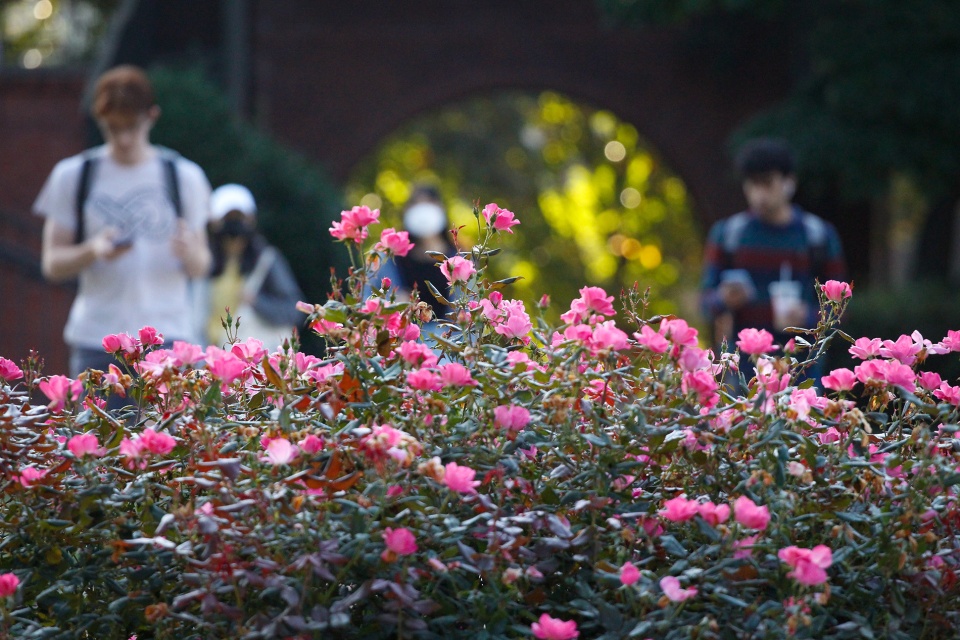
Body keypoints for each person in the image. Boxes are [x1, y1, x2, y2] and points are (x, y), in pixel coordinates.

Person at [35, 65, 212, 378]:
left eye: (132, 126)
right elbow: (52, 263)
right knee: (98, 429)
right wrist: (92, 250)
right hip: (98, 340)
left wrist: (190, 252)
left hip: (169, 336)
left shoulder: (184, 177)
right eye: (113, 128)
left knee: (169, 428)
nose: (124, 138)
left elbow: (202, 266)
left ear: (152, 117)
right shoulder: (74, 175)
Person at [701, 138, 846, 379]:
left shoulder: (817, 236)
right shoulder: (728, 235)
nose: (759, 193)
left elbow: (840, 309)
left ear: (789, 183)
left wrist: (807, 317)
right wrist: (723, 299)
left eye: (767, 183)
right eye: (752, 184)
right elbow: (705, 303)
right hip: (744, 370)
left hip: (802, 367)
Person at [205, 183, 304, 348]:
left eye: (239, 219)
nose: (234, 229)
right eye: (228, 220)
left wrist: (257, 302)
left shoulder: (266, 261)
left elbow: (293, 311)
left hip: (250, 360)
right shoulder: (204, 262)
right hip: (210, 356)